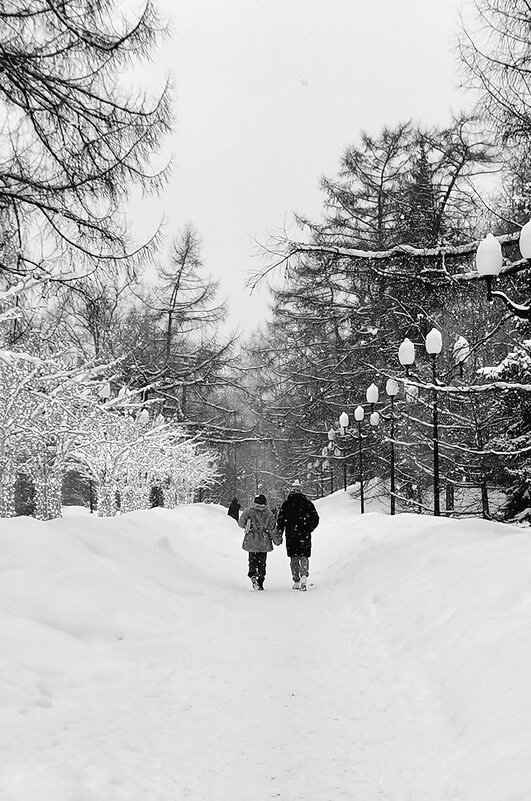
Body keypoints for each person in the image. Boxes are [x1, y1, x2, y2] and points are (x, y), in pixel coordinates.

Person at [276, 480, 319, 591]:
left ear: (291, 491)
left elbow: (280, 521)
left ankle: (296, 580)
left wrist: (280, 533)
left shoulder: (286, 504)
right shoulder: (307, 504)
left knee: (294, 557)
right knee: (304, 555)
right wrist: (309, 528)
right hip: (304, 534)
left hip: (291, 534)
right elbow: (315, 519)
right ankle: (304, 575)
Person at [238, 494, 280, 591]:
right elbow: (272, 529)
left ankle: (252, 574)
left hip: (252, 538)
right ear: (264, 502)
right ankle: (261, 580)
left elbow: (240, 523)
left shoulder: (248, 511)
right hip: (263, 539)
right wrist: (277, 540)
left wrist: (248, 525)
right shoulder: (268, 513)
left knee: (252, 559)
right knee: (262, 561)